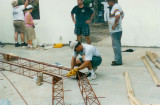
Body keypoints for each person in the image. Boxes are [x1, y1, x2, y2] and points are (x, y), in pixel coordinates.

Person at [107, 0, 124, 66]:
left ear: (112, 1)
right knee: (117, 45)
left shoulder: (115, 7)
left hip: (115, 30)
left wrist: (115, 24)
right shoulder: (118, 6)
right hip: (117, 30)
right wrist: (119, 23)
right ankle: (118, 59)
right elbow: (122, 15)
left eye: (108, 2)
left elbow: (118, 15)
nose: (108, 3)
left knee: (116, 46)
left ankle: (118, 61)